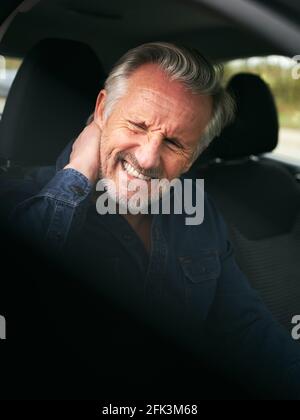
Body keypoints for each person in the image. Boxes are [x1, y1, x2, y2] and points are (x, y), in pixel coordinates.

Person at [3, 42, 300, 399]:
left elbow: (247, 329)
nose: (147, 158)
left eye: (174, 143)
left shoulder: (195, 209)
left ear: (193, 157)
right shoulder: (16, 200)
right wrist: (78, 175)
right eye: (137, 125)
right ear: (102, 111)